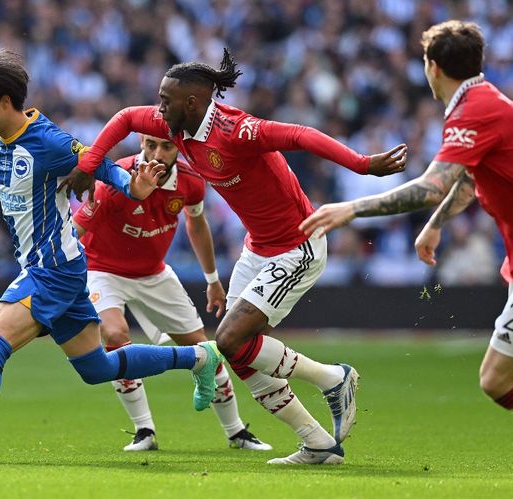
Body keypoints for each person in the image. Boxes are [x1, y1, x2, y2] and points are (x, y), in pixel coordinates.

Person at [60, 49, 407, 464]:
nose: (159, 108)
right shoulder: (172, 125)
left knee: (227, 339)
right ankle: (317, 442)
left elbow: (300, 135)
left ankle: (334, 378)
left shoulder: (238, 131)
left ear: (192, 102)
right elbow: (124, 118)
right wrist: (90, 162)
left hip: (299, 243)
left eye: (166, 100)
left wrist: (362, 164)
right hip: (257, 248)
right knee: (237, 354)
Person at [0, 48, 224, 463]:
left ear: (4, 103)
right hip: (58, 267)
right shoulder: (3, 138)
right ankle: (196, 356)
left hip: (52, 269)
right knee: (96, 369)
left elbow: (94, 161)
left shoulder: (48, 142)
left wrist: (133, 187)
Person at [299, 20, 513, 410]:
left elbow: (432, 186)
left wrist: (353, 208)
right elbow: (468, 177)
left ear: (432, 67)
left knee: (495, 379)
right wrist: (435, 225)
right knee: (496, 378)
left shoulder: (475, 110)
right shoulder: (481, 100)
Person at [73, 134, 271, 451]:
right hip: (103, 270)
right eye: (151, 145)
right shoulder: (116, 181)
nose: (157, 153)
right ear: (140, 142)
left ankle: (236, 433)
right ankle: (144, 431)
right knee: (114, 333)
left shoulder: (191, 182)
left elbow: (196, 224)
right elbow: (74, 230)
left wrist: (212, 278)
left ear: (178, 147)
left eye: (166, 146)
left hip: (155, 272)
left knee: (208, 349)